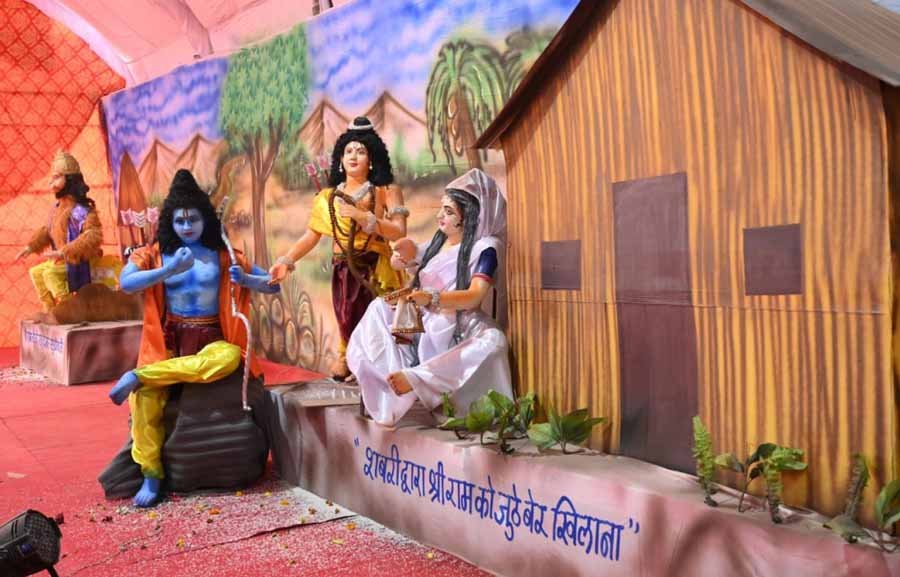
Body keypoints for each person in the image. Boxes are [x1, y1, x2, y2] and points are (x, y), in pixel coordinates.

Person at [107, 169, 278, 507]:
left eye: (193, 219)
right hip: (169, 342)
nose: (187, 227)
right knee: (145, 401)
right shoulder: (154, 254)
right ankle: (151, 474)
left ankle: (140, 375)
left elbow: (273, 286)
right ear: (170, 222)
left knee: (228, 358)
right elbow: (126, 283)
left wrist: (247, 279)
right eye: (180, 220)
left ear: (205, 220)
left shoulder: (225, 253)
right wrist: (168, 271)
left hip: (213, 338)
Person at [346, 168, 512, 427]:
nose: (439, 216)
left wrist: (433, 298)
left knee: (494, 342)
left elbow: (475, 296)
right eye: (441, 209)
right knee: (379, 308)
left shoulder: (485, 248)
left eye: (448, 211)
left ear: (469, 216)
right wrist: (404, 254)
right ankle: (388, 383)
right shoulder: (441, 243)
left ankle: (416, 378)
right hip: (423, 320)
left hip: (461, 323)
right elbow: (411, 257)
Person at [269, 117, 407, 380]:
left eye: (361, 151)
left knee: (377, 319)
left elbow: (399, 231)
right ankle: (350, 359)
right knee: (346, 316)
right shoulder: (327, 197)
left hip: (376, 268)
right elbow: (311, 235)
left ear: (372, 158)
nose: (353, 156)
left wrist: (365, 218)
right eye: (348, 151)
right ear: (340, 159)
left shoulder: (386, 191)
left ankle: (371, 366)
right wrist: (286, 260)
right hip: (343, 269)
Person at [15, 150, 103, 311]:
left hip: (78, 259)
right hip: (62, 258)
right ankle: (50, 310)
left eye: (56, 177)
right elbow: (48, 230)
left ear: (69, 179)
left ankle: (68, 309)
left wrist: (65, 251)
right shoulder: (57, 208)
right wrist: (31, 246)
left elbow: (93, 235)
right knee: (36, 272)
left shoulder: (81, 210)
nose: (51, 182)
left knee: (50, 274)